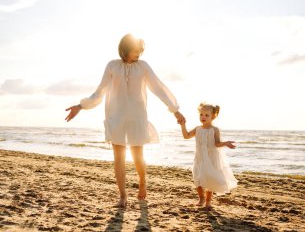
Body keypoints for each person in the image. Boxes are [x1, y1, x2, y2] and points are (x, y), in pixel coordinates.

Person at [65, 34, 185, 208]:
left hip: (137, 116)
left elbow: (158, 87)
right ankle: (123, 196)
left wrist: (175, 110)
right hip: (116, 116)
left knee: (138, 156)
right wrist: (81, 105)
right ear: (125, 50)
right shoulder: (112, 66)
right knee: (119, 157)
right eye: (135, 51)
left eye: (140, 51)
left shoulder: (143, 67)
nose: (138, 54)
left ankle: (142, 181)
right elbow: (100, 91)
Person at [180, 103, 238, 210]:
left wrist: (225, 143)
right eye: (201, 114)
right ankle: (201, 198)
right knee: (197, 178)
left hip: (211, 158)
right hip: (199, 158)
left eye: (206, 115)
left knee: (210, 178)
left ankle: (208, 202)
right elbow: (186, 136)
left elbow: (217, 144)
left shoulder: (214, 130)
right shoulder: (197, 129)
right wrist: (183, 125)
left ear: (213, 117)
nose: (203, 117)